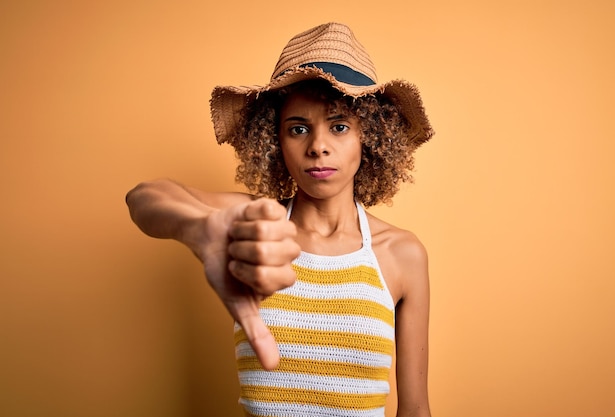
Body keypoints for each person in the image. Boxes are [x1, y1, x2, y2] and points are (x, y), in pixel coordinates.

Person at [126, 22, 434, 417]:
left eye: (339, 127)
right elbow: (142, 198)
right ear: (274, 142)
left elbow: (416, 408)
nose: (318, 146)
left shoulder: (402, 255)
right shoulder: (255, 227)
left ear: (369, 137)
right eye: (298, 129)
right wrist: (197, 228)